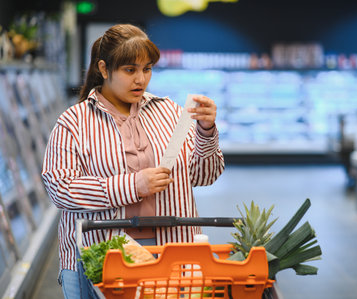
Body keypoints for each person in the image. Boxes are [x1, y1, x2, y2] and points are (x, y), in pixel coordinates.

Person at [41, 24, 224, 299]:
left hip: (172, 255)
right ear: (104, 69)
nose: (141, 79)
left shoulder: (170, 113)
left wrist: (206, 131)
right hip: (102, 259)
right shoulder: (74, 122)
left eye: (147, 69)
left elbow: (203, 176)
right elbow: (60, 189)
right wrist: (133, 185)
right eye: (130, 70)